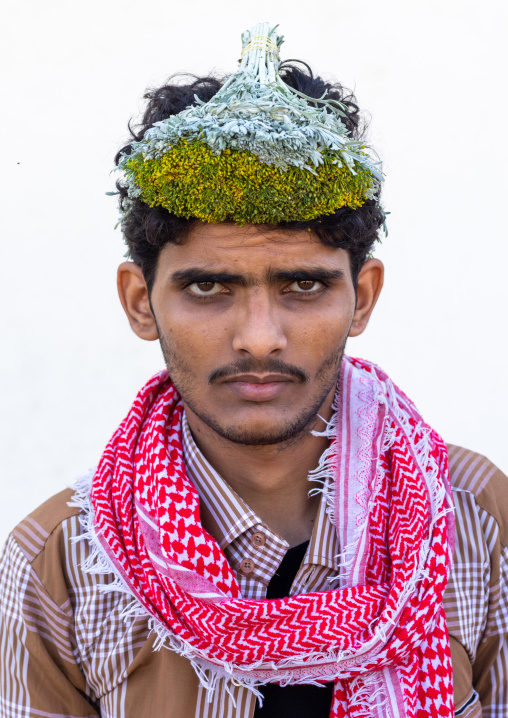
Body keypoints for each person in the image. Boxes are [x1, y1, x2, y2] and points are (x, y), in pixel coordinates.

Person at [0, 22, 506, 718]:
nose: (260, 339)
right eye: (209, 288)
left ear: (362, 298)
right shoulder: (59, 567)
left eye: (302, 286)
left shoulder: (477, 522)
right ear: (140, 302)